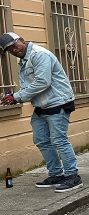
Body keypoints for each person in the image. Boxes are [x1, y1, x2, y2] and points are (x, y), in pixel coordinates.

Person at [0, 32, 82, 192]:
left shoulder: (39, 55)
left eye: (14, 46)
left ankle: (73, 177)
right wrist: (15, 95)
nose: (14, 51)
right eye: (10, 50)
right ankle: (57, 174)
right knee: (42, 140)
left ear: (22, 40)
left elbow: (42, 82)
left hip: (58, 102)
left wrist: (16, 97)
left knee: (59, 140)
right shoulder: (24, 60)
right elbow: (30, 84)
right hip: (42, 105)